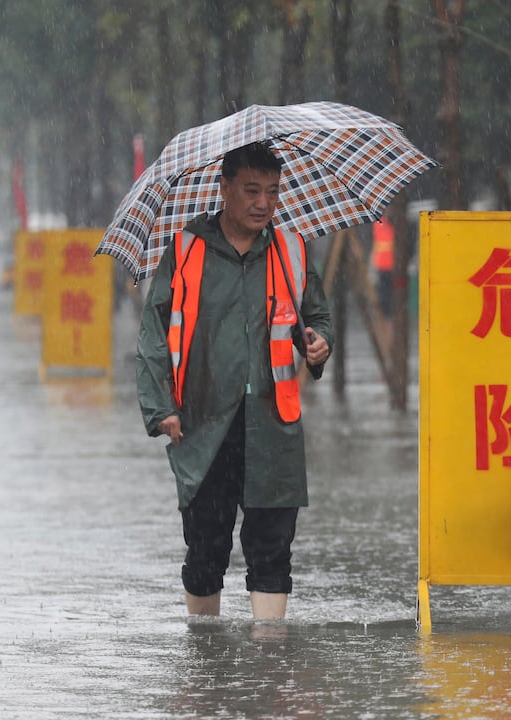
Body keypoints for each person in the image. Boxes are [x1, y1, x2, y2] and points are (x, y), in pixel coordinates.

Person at [135, 142, 333, 621]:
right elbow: (152, 337)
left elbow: (319, 315)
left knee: (272, 552)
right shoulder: (186, 251)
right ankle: (206, 667)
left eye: (271, 191)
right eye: (251, 191)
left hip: (273, 424)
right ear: (223, 189)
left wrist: (318, 343)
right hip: (204, 425)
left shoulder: (290, 249)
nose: (263, 203)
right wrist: (160, 409)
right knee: (206, 550)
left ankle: (268, 673)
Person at [371, 217, 395, 315]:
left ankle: (385, 313)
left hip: (386, 265)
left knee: (384, 291)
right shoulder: (383, 224)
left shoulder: (378, 223)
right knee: (385, 292)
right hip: (384, 265)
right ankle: (385, 313)